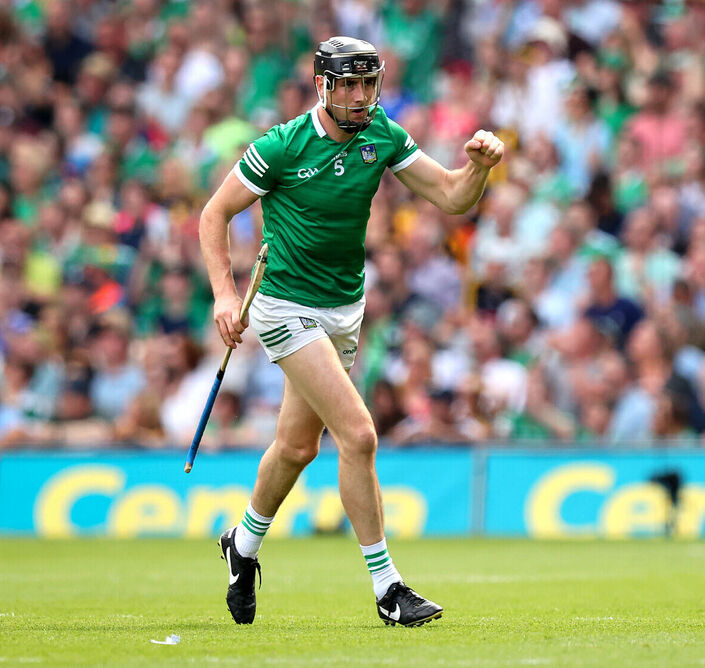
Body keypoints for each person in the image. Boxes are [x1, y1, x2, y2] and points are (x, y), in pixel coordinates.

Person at [199, 36, 504, 627]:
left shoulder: (383, 135)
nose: (362, 96)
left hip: (344, 309)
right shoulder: (282, 146)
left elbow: (450, 195)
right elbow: (214, 214)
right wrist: (224, 295)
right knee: (359, 435)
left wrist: (480, 168)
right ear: (322, 86)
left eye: (369, 83)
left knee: (295, 448)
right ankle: (389, 588)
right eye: (349, 84)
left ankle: (241, 545)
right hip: (285, 307)